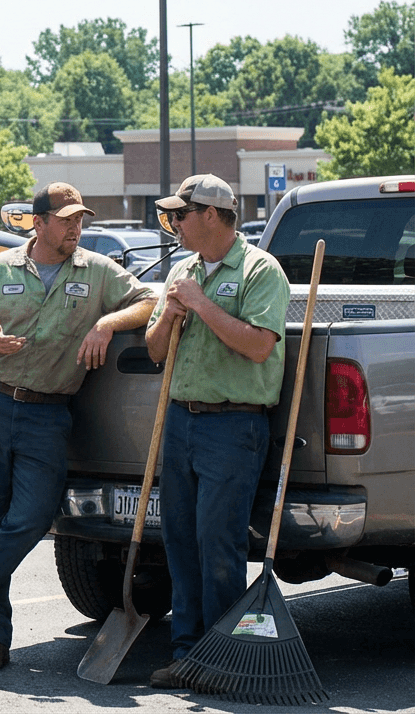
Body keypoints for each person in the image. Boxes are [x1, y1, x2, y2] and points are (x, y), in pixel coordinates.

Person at [0, 182, 155, 671]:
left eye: (79, 218)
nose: (75, 227)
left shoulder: (96, 269)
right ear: (39, 222)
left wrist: (106, 325)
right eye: (66, 219)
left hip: (49, 411)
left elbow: (150, 298)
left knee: (33, 515)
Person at [143, 174, 289, 689]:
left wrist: (201, 304)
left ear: (210, 215)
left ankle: (224, 659)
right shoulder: (183, 270)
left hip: (233, 423)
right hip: (182, 418)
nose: (174, 223)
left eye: (180, 215)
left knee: (218, 545)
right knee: (180, 540)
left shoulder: (260, 270)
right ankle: (187, 653)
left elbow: (258, 347)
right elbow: (157, 351)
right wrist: (170, 315)